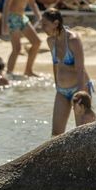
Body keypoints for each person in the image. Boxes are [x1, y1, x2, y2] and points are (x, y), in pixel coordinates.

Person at [39, 8, 91, 136]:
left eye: (45, 24)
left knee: (82, 133)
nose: (42, 28)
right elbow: (55, 64)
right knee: (56, 134)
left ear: (56, 23)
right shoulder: (50, 41)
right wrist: (57, 85)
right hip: (62, 91)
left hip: (78, 89)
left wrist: (81, 94)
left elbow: (80, 69)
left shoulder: (73, 40)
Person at [1, 0, 44, 77]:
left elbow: (32, 2)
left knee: (36, 42)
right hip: (12, 17)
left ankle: (28, 70)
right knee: (17, 49)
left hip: (22, 17)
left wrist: (39, 16)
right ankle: (9, 73)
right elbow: (7, 4)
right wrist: (4, 24)